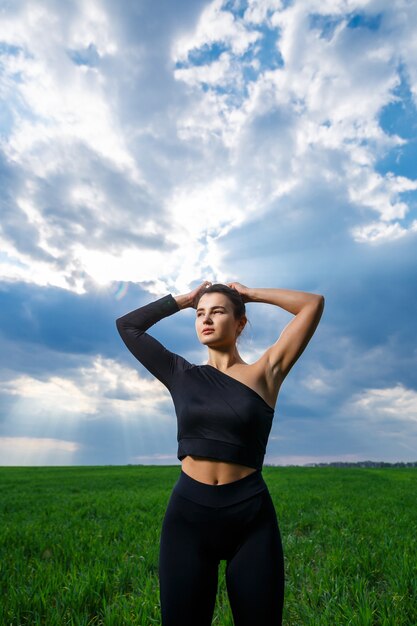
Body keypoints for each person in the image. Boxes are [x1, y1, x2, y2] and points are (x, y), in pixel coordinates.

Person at [116, 280, 325, 626]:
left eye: (217, 311)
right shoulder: (180, 374)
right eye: (200, 314)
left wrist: (251, 294)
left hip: (250, 517)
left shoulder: (266, 372)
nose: (206, 319)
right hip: (188, 517)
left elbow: (312, 304)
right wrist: (184, 300)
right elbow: (128, 326)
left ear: (241, 322)